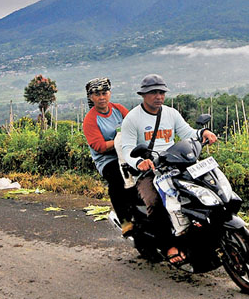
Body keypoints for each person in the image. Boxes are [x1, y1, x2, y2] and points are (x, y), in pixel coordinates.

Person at [117, 73, 218, 265]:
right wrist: (139, 162)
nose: (158, 96)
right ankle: (168, 245)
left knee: (204, 190)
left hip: (176, 164)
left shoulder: (171, 113)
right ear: (143, 95)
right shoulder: (132, 119)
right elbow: (128, 149)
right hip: (149, 171)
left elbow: (188, 133)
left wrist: (203, 132)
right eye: (153, 92)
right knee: (155, 202)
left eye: (161, 92)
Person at [81, 77, 134, 235]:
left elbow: (133, 125)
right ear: (91, 97)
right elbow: (100, 147)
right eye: (97, 94)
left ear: (110, 93)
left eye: (105, 93)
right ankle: (125, 221)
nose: (102, 97)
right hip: (108, 159)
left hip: (127, 153)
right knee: (117, 180)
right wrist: (119, 140)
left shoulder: (118, 109)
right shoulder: (90, 120)